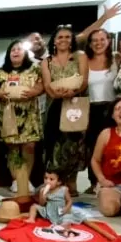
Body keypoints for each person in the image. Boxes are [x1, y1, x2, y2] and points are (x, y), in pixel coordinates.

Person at [41, 25, 90, 195]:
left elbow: (84, 80)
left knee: (74, 144)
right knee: (55, 144)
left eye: (67, 37)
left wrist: (73, 92)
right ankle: (55, 182)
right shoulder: (46, 61)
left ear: (72, 40)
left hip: (75, 104)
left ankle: (71, 182)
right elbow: (47, 85)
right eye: (60, 37)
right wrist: (56, 94)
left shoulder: (80, 56)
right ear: (54, 41)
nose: (63, 40)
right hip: (54, 104)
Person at [0, 40, 44, 197]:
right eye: (13, 49)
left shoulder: (34, 69)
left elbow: (42, 85)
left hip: (29, 114)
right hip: (9, 114)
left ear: (25, 53)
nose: (16, 52)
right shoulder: (1, 72)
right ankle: (16, 180)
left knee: (29, 147)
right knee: (12, 148)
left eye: (19, 49)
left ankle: (25, 179)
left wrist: (34, 91)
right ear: (9, 54)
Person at [84, 29, 119, 189]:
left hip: (112, 109)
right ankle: (94, 182)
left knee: (112, 146)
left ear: (108, 40)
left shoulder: (116, 58)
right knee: (92, 146)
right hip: (91, 108)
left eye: (102, 39)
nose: (98, 43)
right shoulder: (85, 60)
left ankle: (113, 179)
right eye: (94, 40)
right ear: (90, 44)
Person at [27, 168, 93, 237]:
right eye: (45, 178)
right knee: (34, 206)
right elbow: (41, 204)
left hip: (60, 212)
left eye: (51, 179)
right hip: (48, 211)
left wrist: (67, 208)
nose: (47, 181)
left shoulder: (63, 190)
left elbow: (69, 200)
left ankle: (62, 228)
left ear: (59, 182)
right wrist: (43, 196)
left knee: (67, 218)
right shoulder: (42, 190)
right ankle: (31, 219)